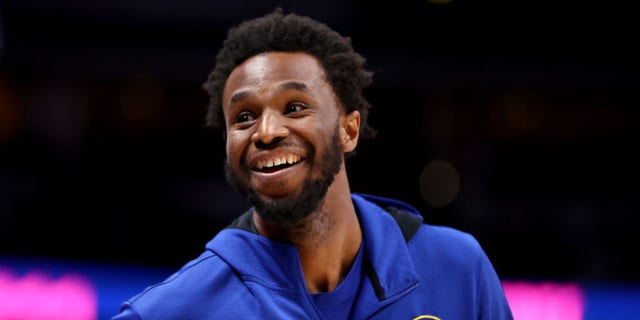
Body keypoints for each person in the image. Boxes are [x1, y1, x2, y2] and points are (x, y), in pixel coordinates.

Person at [112, 8, 513, 320]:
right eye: (244, 117)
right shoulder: (170, 310)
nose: (266, 131)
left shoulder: (459, 269)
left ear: (349, 129)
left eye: (295, 107)